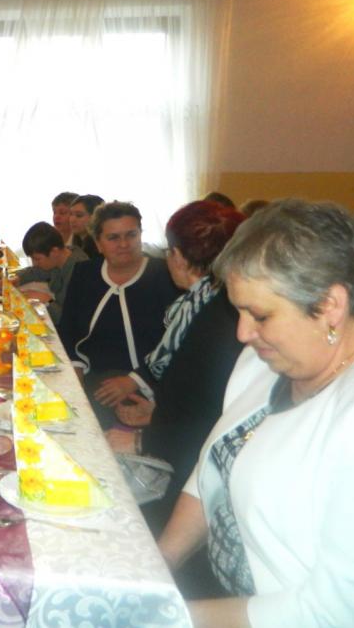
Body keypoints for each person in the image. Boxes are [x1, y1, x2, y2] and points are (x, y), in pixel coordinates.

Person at [158, 199, 354, 627]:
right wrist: (159, 565)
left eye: (261, 315)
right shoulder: (263, 362)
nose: (242, 332)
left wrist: (166, 618)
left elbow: (335, 611)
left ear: (330, 305)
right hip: (212, 592)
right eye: (238, 310)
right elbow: (212, 467)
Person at [100, 201, 246, 535]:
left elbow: (213, 419)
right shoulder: (204, 303)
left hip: (196, 479)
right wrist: (157, 413)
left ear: (178, 256)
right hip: (177, 440)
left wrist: (144, 439)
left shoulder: (215, 319)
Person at [57, 201, 179, 428]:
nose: (124, 244)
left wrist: (135, 380)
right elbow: (69, 330)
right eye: (113, 238)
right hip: (94, 381)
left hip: (151, 386)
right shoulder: (85, 274)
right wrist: (75, 375)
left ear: (141, 235)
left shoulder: (166, 275)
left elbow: (177, 342)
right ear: (98, 243)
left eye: (131, 235)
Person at [15, 221, 88, 323]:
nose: (34, 264)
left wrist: (47, 300)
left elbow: (71, 320)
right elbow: (37, 272)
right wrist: (15, 278)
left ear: (54, 251)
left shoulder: (80, 273)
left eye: (37, 259)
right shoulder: (61, 257)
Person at [69, 194, 105, 259]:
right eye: (71, 214)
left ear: (94, 217)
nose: (72, 220)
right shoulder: (75, 243)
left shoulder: (98, 246)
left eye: (79, 215)